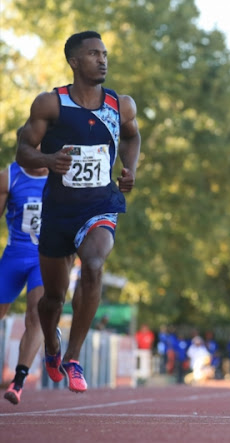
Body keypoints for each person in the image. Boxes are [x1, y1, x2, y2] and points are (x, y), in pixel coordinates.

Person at [16, 30, 141, 393]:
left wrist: (129, 168)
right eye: (93, 54)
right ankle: (52, 345)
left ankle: (73, 357)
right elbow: (23, 149)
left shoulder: (122, 105)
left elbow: (132, 136)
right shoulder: (50, 104)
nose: (102, 59)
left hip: (100, 204)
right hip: (58, 211)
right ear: (74, 61)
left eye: (104, 54)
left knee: (95, 265)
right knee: (51, 300)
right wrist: (47, 159)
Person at [1, 133, 48, 405]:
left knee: (35, 314)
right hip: (14, 256)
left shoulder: (59, 176)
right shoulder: (9, 176)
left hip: (45, 259)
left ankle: (18, 381)